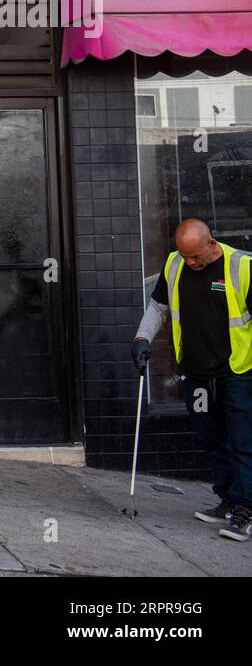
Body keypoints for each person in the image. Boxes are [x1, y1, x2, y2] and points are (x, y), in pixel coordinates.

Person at [132, 218, 252, 542]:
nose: (190, 263)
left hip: (237, 373)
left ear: (212, 244)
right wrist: (143, 338)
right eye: (184, 255)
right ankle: (227, 500)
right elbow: (158, 306)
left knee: (243, 442)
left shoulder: (241, 266)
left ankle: (245, 509)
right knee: (211, 438)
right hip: (197, 375)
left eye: (195, 256)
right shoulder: (174, 265)